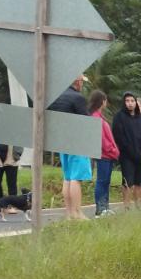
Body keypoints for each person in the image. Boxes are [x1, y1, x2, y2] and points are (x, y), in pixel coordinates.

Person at [49, 76, 91, 220]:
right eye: (82, 81)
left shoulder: (57, 98)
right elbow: (86, 121)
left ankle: (69, 213)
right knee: (76, 178)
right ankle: (77, 213)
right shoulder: (78, 98)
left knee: (67, 177)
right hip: (77, 141)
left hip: (62, 141)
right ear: (77, 81)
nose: (82, 84)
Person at [112, 92, 141, 207]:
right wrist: (129, 150)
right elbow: (118, 136)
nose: (130, 103)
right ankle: (126, 206)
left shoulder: (140, 118)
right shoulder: (119, 117)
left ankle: (138, 206)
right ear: (124, 102)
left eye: (132, 101)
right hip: (127, 156)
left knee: (140, 182)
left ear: (135, 102)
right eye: (127, 101)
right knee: (127, 181)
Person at [89, 91, 119, 216]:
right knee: (102, 181)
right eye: (105, 100)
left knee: (106, 181)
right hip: (104, 154)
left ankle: (105, 206)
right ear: (102, 101)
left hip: (108, 155)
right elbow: (101, 139)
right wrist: (112, 150)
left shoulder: (100, 116)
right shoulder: (95, 117)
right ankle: (100, 208)